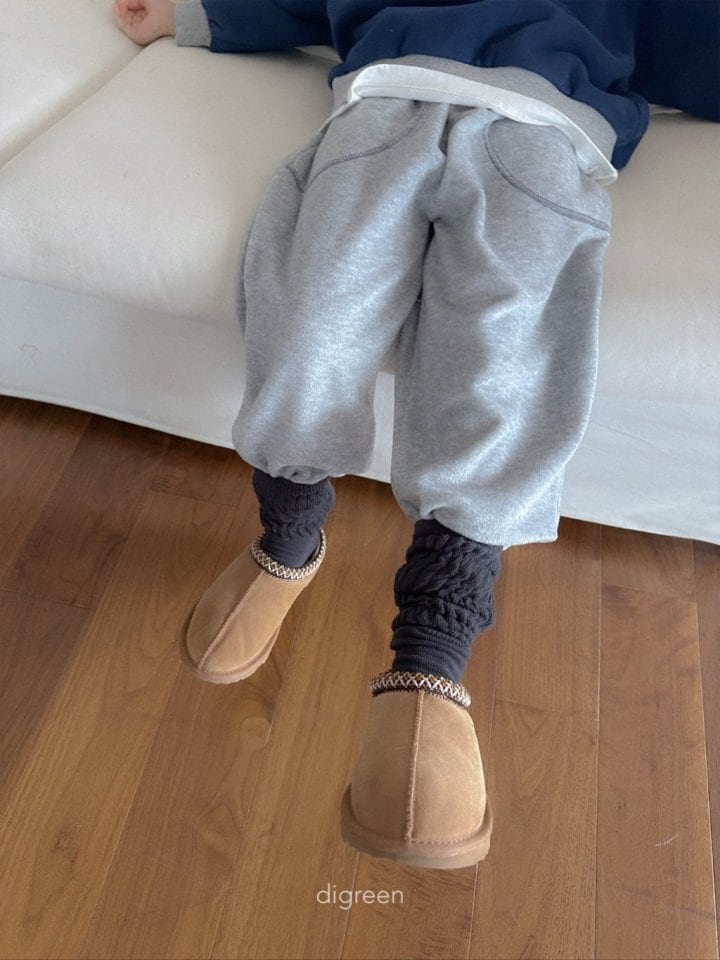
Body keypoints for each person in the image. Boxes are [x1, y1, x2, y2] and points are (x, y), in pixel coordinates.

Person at [113, 0, 719, 870]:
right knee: (314, 314)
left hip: (546, 130)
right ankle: (287, 538)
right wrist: (192, 14)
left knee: (503, 350)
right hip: (387, 103)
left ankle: (433, 653)